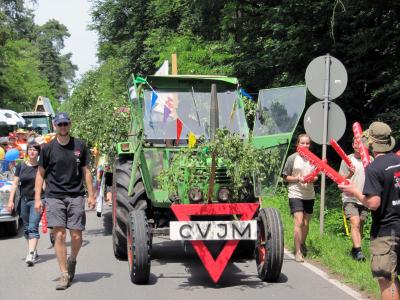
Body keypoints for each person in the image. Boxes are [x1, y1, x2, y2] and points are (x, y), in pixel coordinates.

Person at [34, 112, 95, 290]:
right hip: (54, 196)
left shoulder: (80, 145)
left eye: (65, 124)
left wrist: (91, 194)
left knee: (76, 235)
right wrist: (38, 198)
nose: (62, 127)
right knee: (59, 234)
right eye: (59, 124)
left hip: (76, 194)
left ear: (70, 124)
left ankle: (72, 260)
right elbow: (40, 174)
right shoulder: (47, 148)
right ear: (55, 126)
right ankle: (64, 273)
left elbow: (86, 171)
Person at [339, 121, 399, 300]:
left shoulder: (374, 168)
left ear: (371, 145)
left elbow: (373, 203)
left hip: (386, 232)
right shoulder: (398, 161)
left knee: (387, 279)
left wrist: (354, 191)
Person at [282, 134, 318, 262]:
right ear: (298, 144)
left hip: (309, 194)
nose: (305, 145)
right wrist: (298, 178)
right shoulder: (292, 158)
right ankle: (297, 252)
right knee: (299, 221)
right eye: (302, 143)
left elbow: (316, 176)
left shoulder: (313, 159)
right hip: (295, 193)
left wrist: (311, 179)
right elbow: (285, 177)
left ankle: (302, 243)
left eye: (307, 143)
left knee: (306, 223)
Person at [7, 142, 43, 266]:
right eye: (30, 150)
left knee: (33, 226)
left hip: (37, 201)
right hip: (24, 200)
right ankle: (33, 249)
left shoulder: (41, 167)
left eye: (35, 150)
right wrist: (11, 200)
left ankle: (31, 253)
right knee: (26, 228)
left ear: (39, 152)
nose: (32, 152)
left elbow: (45, 184)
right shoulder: (21, 166)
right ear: (27, 152)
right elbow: (15, 184)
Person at [339, 138, 369, 261]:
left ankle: (355, 249)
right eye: (356, 143)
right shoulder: (347, 159)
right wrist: (350, 174)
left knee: (360, 226)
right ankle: (359, 252)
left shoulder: (369, 160)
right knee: (355, 223)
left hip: (364, 197)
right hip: (349, 197)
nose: (358, 145)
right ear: (352, 145)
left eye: (361, 143)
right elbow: (340, 180)